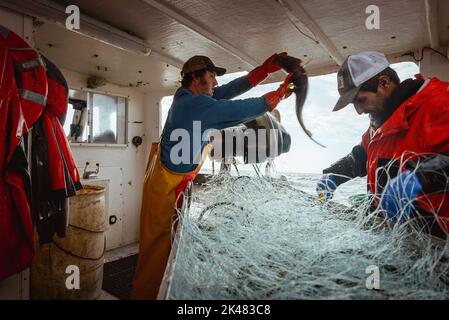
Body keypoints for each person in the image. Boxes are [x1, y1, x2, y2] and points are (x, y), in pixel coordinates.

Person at [132, 53, 294, 299]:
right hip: (163, 189)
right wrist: (279, 94)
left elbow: (231, 89)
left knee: (170, 250)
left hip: (171, 181)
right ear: (196, 78)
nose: (216, 84)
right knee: (157, 253)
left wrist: (264, 70)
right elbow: (239, 110)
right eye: (212, 77)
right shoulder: (195, 105)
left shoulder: (190, 97)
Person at [316, 51, 449, 238]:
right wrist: (333, 174)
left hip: (437, 244)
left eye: (361, 100)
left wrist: (420, 177)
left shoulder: (441, 102)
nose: (359, 111)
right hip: (395, 238)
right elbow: (362, 155)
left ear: (384, 83)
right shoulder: (379, 121)